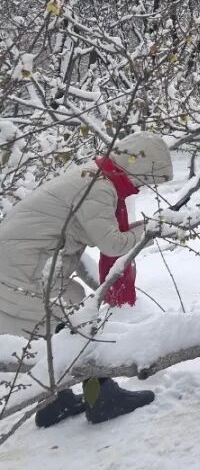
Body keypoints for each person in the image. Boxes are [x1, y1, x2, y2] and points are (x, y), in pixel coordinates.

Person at [0, 132, 171, 427]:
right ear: (139, 166)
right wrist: (150, 228)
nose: (143, 187)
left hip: (17, 265)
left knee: (55, 324)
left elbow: (74, 237)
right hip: (20, 270)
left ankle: (56, 401)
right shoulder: (99, 188)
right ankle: (102, 399)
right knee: (75, 317)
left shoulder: (92, 176)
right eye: (147, 179)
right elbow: (112, 244)